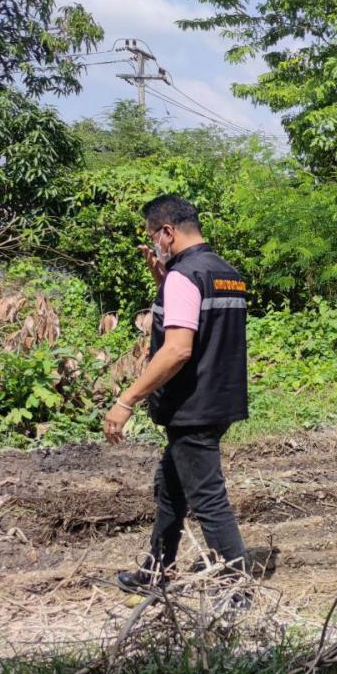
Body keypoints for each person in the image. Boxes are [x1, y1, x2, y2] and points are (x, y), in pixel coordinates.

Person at [103, 195, 250, 589]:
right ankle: (155, 572)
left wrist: (126, 400)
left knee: (208, 499)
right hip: (220, 399)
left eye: (153, 235)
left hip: (192, 406)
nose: (153, 243)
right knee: (170, 488)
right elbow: (203, 327)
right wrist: (163, 282)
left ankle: (237, 589)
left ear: (167, 232)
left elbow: (178, 350)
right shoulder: (226, 272)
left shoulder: (185, 276)